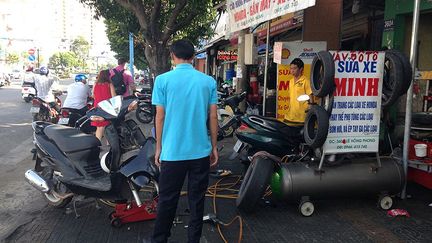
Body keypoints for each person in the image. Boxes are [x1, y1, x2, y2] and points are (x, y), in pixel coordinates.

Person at [150, 39, 218, 243]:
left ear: (172, 56)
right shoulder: (208, 82)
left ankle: (160, 240)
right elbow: (213, 117)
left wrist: (158, 147)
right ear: (194, 57)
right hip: (199, 153)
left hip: (172, 153)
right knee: (197, 201)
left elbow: (159, 117)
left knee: (167, 200)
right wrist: (213, 146)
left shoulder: (162, 81)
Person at [284, 58, 312, 124]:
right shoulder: (291, 81)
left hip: (302, 117)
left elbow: (311, 97)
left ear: (301, 69)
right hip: (290, 116)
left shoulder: (306, 81)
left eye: (294, 68)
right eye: (291, 68)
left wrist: (310, 111)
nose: (292, 70)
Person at [91, 69, 116, 141]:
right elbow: (114, 97)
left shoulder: (95, 83)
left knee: (100, 126)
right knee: (106, 125)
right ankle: (103, 143)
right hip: (107, 107)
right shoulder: (109, 84)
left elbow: (93, 95)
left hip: (97, 107)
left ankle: (101, 143)